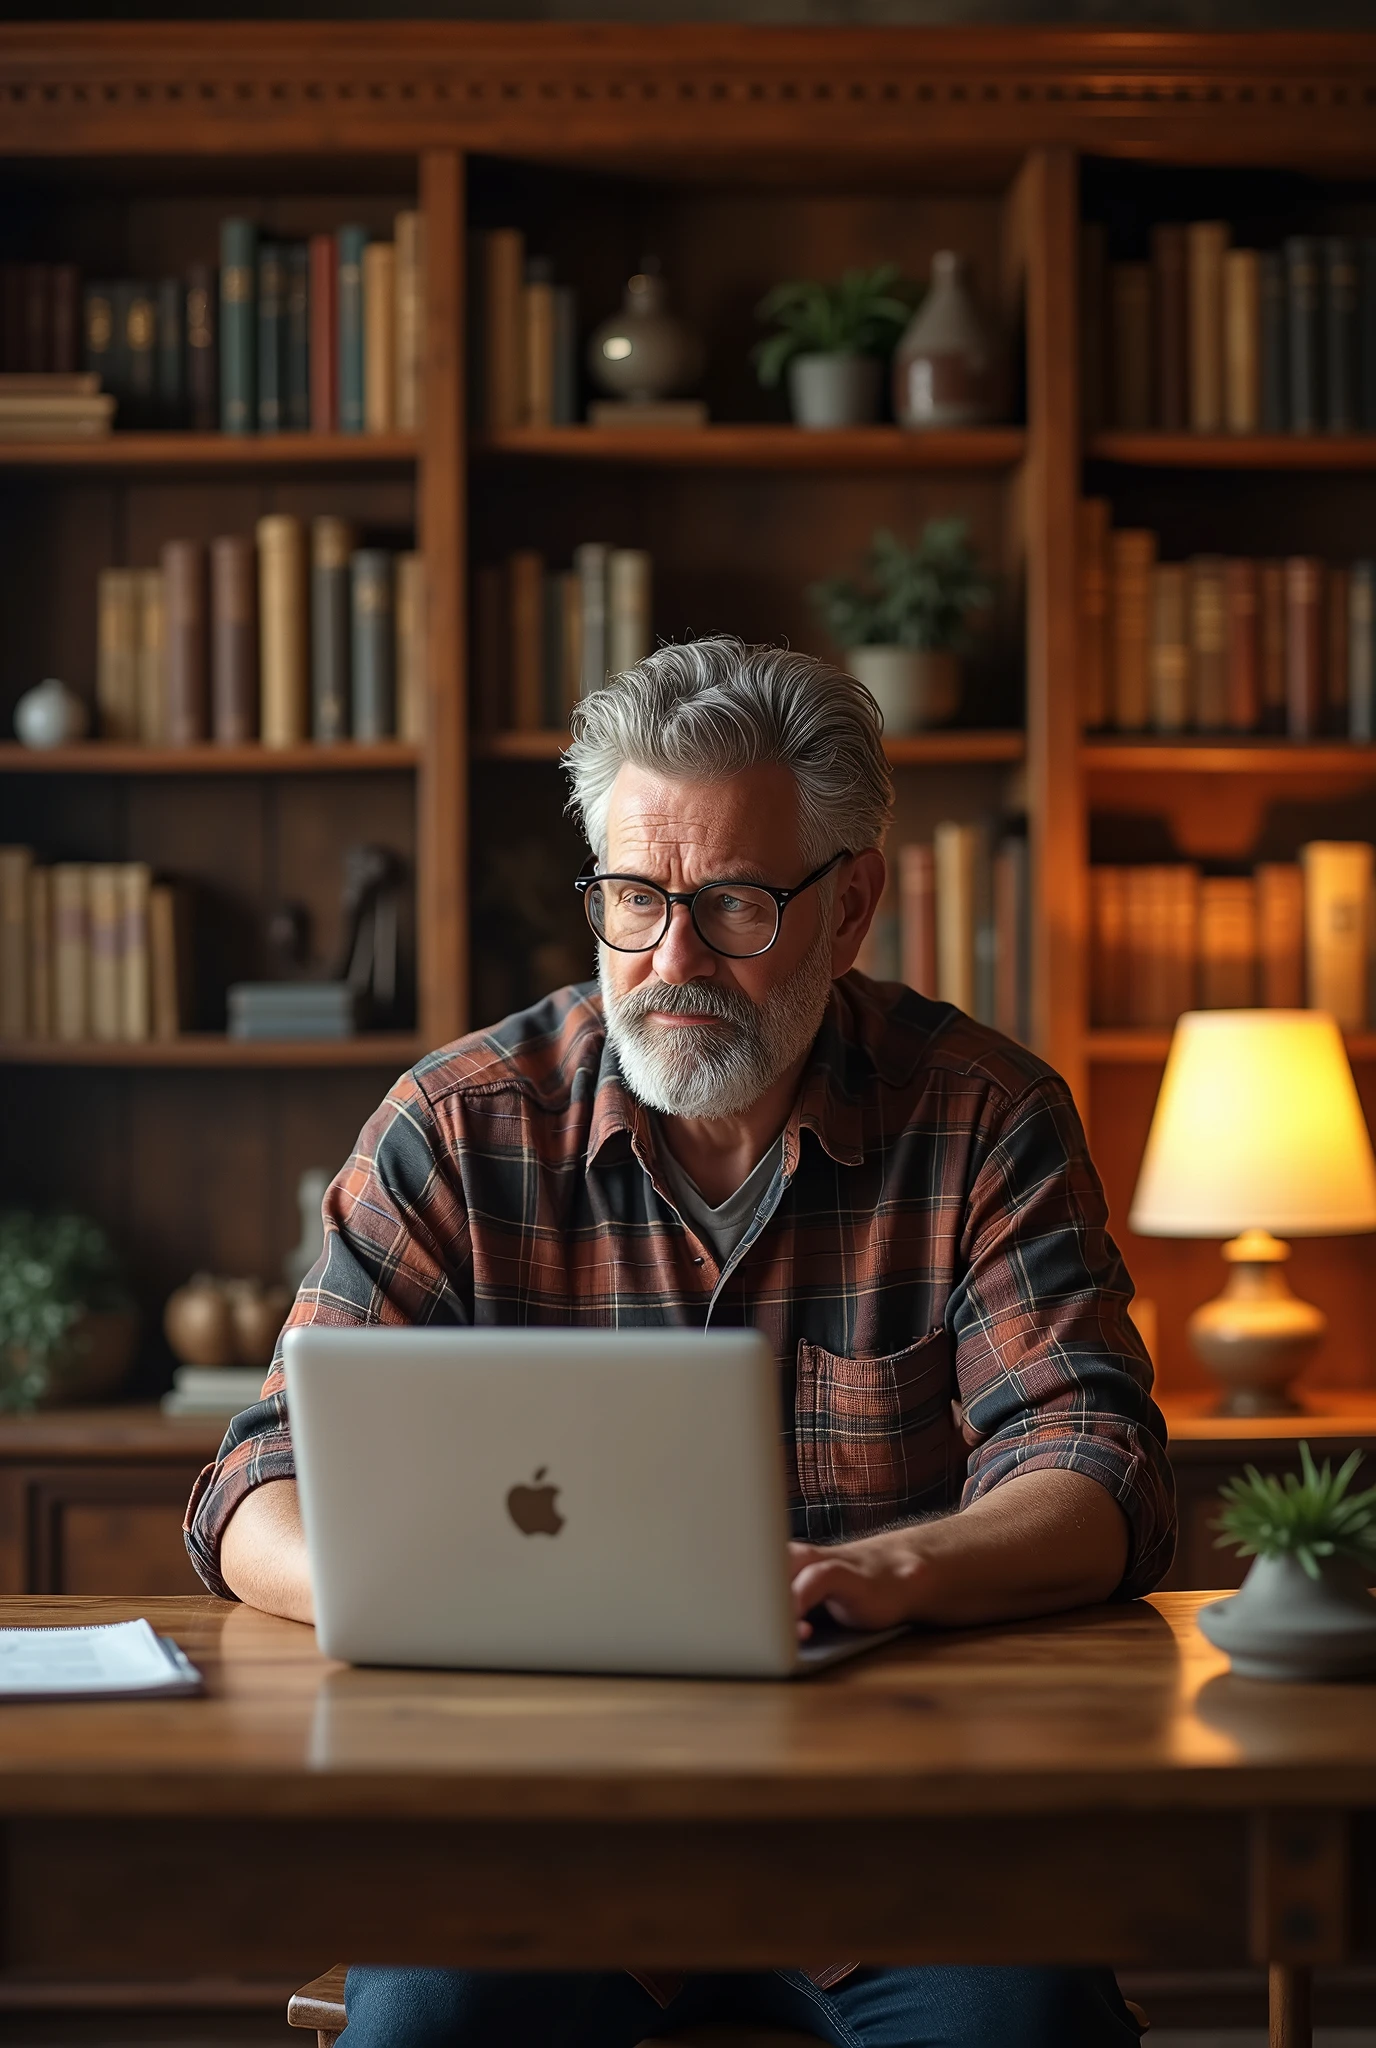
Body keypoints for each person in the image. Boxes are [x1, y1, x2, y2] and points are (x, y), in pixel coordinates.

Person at [185, 636, 1174, 2048]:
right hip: (529, 1844)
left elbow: (1099, 1466)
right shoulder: (459, 1124)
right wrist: (402, 1587)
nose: (673, 960)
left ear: (853, 906)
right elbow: (251, 1486)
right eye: (636, 898)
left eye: (735, 906)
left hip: (899, 1847)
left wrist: (886, 1571)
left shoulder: (983, 1118)